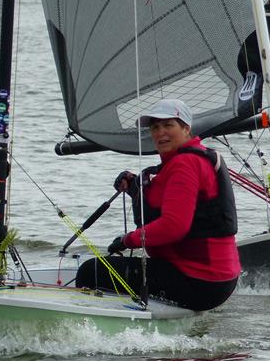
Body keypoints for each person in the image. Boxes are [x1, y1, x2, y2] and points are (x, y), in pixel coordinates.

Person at [74, 99, 241, 312]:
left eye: (168, 125)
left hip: (198, 281)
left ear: (186, 128)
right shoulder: (188, 160)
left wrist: (128, 240)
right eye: (155, 127)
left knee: (92, 271)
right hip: (217, 280)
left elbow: (174, 226)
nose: (160, 132)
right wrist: (135, 187)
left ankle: (93, 329)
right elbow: (169, 198)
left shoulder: (185, 164)